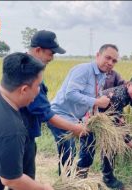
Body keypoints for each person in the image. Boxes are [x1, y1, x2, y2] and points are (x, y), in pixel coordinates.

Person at [0, 52, 53, 190]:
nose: (38, 91)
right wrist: (44, 189)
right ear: (24, 89)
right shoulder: (12, 129)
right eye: (38, 86)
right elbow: (11, 180)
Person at [20, 30, 87, 180]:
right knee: (25, 179)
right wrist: (75, 128)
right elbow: (46, 114)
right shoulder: (29, 73)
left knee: (18, 179)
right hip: (21, 136)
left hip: (18, 132)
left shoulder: (19, 63)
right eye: (51, 54)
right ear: (38, 50)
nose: (52, 58)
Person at [48, 44, 119, 177]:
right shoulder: (84, 70)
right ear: (98, 55)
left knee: (90, 141)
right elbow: (71, 93)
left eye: (114, 61)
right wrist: (98, 101)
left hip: (77, 117)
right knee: (68, 151)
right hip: (60, 115)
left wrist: (94, 115)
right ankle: (66, 183)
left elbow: (91, 98)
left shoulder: (102, 75)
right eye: (107, 58)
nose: (110, 63)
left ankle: (81, 174)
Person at [99, 75, 132, 189]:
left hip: (106, 119)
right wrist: (128, 139)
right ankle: (107, 178)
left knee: (110, 147)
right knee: (109, 147)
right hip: (92, 117)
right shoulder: (119, 96)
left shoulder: (129, 95)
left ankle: (106, 176)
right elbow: (117, 120)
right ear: (128, 85)